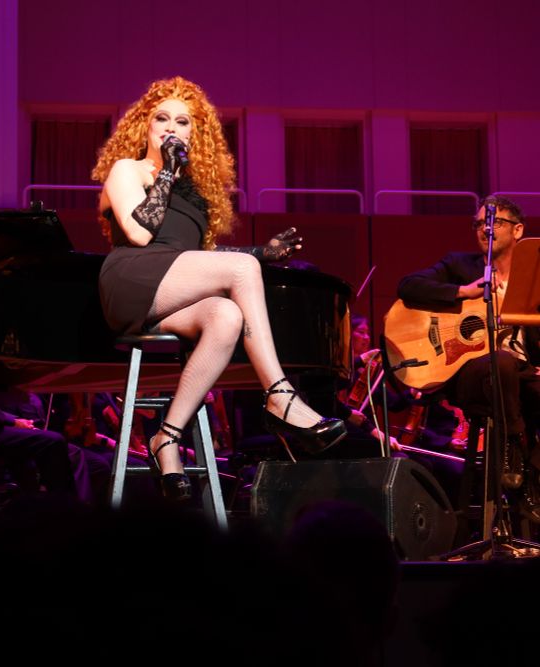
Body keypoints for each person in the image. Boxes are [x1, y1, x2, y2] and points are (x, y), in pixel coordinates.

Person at [92, 76, 345, 500]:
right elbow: (139, 234)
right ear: (145, 126)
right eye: (162, 118)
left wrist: (261, 252)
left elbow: (200, 255)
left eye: (183, 122)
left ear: (196, 133)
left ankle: (166, 437)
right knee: (241, 271)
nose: (172, 127)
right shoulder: (126, 169)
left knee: (227, 316)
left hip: (171, 284)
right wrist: (168, 169)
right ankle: (280, 396)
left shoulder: (196, 195)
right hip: (131, 280)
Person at [397, 195, 540, 520]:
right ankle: (514, 445)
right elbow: (407, 286)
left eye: (495, 222)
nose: (484, 228)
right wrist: (464, 292)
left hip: (521, 374)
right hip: (472, 378)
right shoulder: (459, 266)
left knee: (514, 370)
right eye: (478, 223)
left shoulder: (534, 276)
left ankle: (531, 474)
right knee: (500, 362)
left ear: (518, 230)